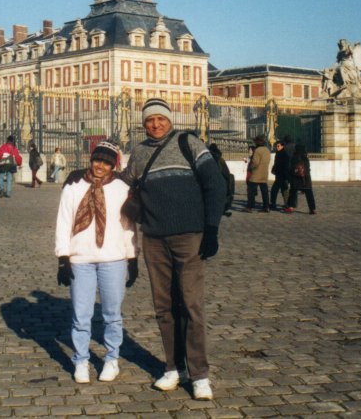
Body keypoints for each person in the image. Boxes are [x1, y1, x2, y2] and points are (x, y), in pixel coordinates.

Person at [122, 98, 225, 401]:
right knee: (164, 306)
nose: (155, 124)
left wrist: (212, 228)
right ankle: (172, 367)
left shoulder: (188, 143)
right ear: (143, 124)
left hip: (189, 236)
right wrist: (85, 179)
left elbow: (215, 185)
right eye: (149, 120)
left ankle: (200, 374)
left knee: (191, 305)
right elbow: (121, 186)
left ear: (170, 120)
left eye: (160, 119)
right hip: (154, 238)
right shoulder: (139, 153)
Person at [55, 141, 138, 384]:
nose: (100, 166)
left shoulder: (122, 187)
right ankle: (80, 360)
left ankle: (112, 358)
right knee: (81, 315)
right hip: (81, 259)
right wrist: (63, 257)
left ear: (114, 165)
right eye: (97, 160)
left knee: (112, 314)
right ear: (90, 160)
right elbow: (64, 220)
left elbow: (128, 225)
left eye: (106, 162)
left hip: (113, 258)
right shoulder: (73, 184)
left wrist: (132, 258)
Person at [284, 144, 317, 214]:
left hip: (296, 178)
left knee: (293, 192)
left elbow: (291, 169)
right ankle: (313, 209)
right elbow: (308, 168)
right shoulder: (306, 158)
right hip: (306, 179)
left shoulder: (294, 157)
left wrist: (290, 176)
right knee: (309, 194)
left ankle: (291, 207)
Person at [245, 135, 271, 213]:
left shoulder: (257, 150)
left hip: (256, 174)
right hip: (264, 173)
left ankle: (250, 206)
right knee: (264, 192)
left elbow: (255, 162)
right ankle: (266, 207)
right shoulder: (267, 150)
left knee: (251, 191)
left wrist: (250, 167)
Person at [208, 143, 234, 217]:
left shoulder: (208, 159)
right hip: (221, 180)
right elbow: (225, 171)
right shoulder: (220, 159)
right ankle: (221, 210)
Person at [269, 140, 290, 211]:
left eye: (278, 146)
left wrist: (285, 175)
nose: (277, 147)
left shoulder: (285, 155)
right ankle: (286, 204)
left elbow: (285, 166)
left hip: (282, 175)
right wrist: (274, 169)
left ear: (282, 146)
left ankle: (274, 204)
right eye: (276, 146)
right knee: (283, 190)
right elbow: (276, 164)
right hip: (279, 175)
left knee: (276, 190)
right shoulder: (278, 154)